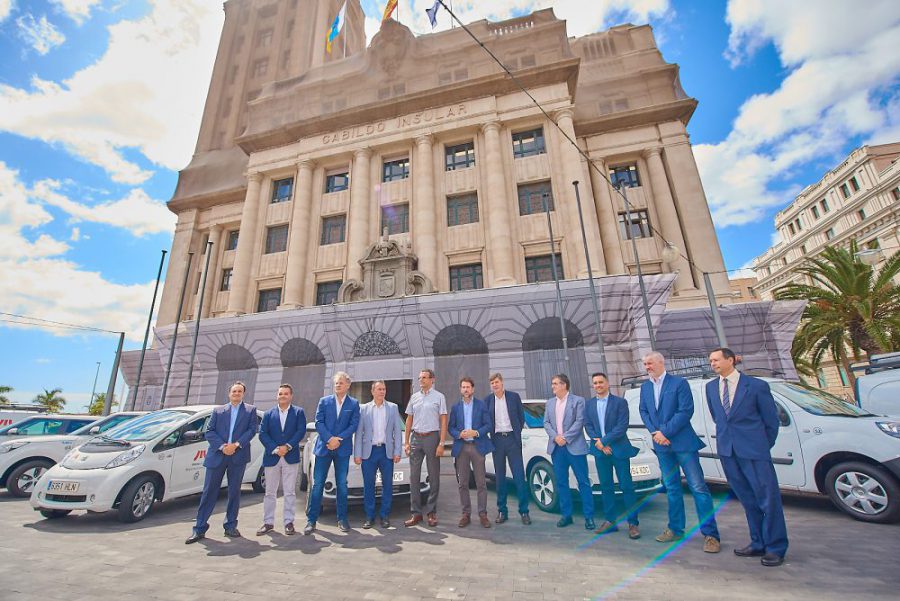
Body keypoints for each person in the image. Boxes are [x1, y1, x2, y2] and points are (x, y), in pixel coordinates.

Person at [707, 348, 788, 567]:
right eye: (710, 361)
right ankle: (757, 542)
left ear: (730, 360)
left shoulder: (756, 386)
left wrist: (761, 446)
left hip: (754, 452)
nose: (712, 363)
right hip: (728, 452)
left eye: (715, 359)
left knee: (768, 499)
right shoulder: (711, 387)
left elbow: (771, 421)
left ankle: (775, 547)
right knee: (747, 500)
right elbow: (719, 418)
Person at [638, 351, 721, 553]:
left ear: (660, 362)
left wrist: (665, 432)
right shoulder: (646, 387)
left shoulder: (679, 383)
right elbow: (644, 411)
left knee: (698, 488)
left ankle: (711, 535)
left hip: (683, 444)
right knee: (672, 488)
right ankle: (675, 528)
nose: (647, 367)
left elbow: (685, 411)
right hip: (662, 447)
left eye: (650, 363)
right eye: (645, 364)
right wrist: (656, 434)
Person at [186, 381, 259, 544]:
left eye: (240, 391)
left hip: (238, 455)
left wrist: (236, 445)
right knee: (209, 492)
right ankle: (199, 528)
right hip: (218, 455)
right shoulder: (218, 411)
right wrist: (222, 446)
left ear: (243, 394)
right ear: (229, 393)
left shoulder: (250, 411)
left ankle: (230, 526)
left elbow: (252, 430)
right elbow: (210, 431)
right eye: (234, 391)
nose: (237, 393)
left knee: (234, 492)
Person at [585, 372, 641, 539]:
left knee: (626, 486)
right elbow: (587, 425)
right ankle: (610, 521)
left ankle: (633, 523)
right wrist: (600, 444)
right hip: (600, 451)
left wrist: (605, 441)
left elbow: (622, 426)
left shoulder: (620, 403)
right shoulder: (589, 405)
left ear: (607, 383)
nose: (598, 385)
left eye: (601, 382)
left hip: (619, 450)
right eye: (595, 383)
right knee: (606, 486)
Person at [304, 372, 360, 535]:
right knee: (318, 484)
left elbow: (354, 424)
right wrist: (329, 439)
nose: (338, 385)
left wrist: (339, 439)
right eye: (336, 383)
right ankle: (311, 521)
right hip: (324, 448)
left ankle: (342, 519)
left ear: (348, 385)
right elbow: (319, 422)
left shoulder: (354, 404)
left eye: (341, 383)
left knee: (342, 484)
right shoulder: (324, 401)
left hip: (342, 449)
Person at [543, 374, 595, 530]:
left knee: (583, 482)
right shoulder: (550, 403)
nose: (552, 386)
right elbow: (546, 422)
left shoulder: (578, 401)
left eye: (555, 383)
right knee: (561, 482)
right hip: (557, 448)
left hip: (575, 447)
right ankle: (566, 515)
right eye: (552, 383)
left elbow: (580, 421)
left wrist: (565, 437)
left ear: (564, 385)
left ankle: (589, 517)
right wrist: (556, 437)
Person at [256, 383, 306, 536]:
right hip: (272, 457)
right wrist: (277, 449)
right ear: (277, 396)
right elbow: (263, 434)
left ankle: (288, 522)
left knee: (290, 492)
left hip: (290, 456)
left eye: (285, 393)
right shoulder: (268, 414)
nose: (282, 396)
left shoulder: (298, 412)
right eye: (280, 394)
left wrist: (288, 446)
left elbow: (300, 431)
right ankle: (268, 522)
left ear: (291, 396)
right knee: (270, 493)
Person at [353, 380, 402, 529]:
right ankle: (369, 516)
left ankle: (385, 515)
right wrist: (357, 453)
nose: (382, 392)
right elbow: (359, 432)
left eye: (384, 389)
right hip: (369, 452)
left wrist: (397, 451)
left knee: (387, 484)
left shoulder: (392, 408)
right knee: (369, 485)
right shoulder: (364, 409)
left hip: (386, 451)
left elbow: (397, 431)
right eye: (379, 389)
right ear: (372, 391)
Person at [484, 373, 531, 525]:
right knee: (500, 478)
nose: (494, 385)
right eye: (492, 383)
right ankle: (502, 511)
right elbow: (486, 421)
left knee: (519, 476)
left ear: (502, 383)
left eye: (496, 382)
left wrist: (516, 434)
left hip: (512, 440)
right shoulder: (488, 400)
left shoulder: (513, 397)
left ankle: (524, 512)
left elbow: (521, 417)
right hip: (497, 441)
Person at [404, 368, 448, 527]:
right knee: (414, 477)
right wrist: (407, 442)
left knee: (434, 476)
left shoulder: (439, 397)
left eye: (424, 378)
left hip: (432, 438)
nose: (421, 380)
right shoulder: (414, 397)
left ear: (432, 380)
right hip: (416, 438)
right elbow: (409, 420)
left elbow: (443, 421)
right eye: (419, 378)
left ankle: (431, 512)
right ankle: (416, 513)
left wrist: (442, 443)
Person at [448, 377, 494, 528]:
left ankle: (483, 514)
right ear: (460, 390)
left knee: (481, 483)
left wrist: (476, 432)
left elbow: (488, 425)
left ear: (473, 389)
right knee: (463, 483)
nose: (466, 390)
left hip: (477, 446)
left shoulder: (481, 405)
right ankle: (466, 514)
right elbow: (451, 427)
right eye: (463, 387)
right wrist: (458, 434)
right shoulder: (455, 407)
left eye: (468, 387)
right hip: (462, 448)